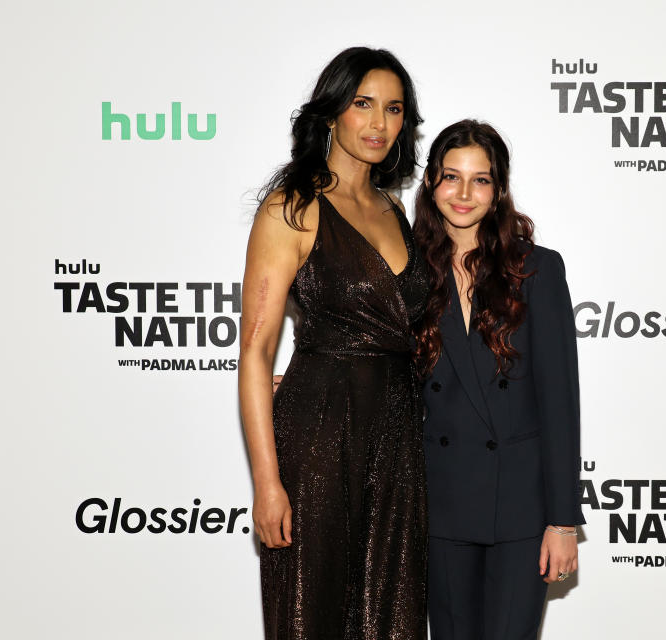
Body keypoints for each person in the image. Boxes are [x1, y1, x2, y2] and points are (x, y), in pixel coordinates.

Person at [238, 47, 429, 640]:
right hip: (320, 436)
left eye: (393, 109)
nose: (378, 123)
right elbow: (255, 352)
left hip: (399, 440)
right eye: (362, 104)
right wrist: (267, 484)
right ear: (330, 115)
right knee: (311, 613)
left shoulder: (397, 210)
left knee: (391, 616)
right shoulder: (291, 207)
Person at [411, 120, 585, 640]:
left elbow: (559, 401)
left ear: (499, 189)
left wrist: (561, 521)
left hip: (520, 506)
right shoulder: (407, 272)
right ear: (429, 184)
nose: (464, 194)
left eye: (480, 180)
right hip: (440, 500)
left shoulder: (537, 270)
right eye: (451, 177)